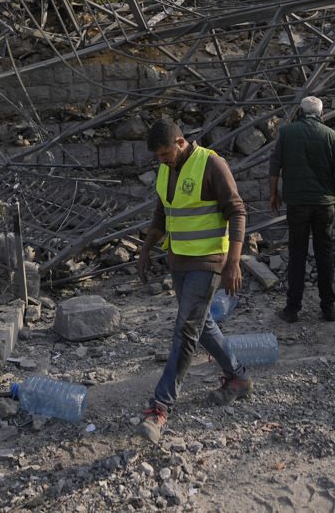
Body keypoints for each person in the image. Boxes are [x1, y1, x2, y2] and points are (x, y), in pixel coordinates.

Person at [135, 119, 251, 443]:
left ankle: (160, 407)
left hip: (209, 261)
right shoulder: (165, 169)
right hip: (179, 261)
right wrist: (145, 250)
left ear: (181, 142)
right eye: (158, 156)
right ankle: (239, 377)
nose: (163, 160)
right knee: (201, 327)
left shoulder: (211, 164)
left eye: (165, 153)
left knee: (185, 330)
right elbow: (162, 214)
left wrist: (233, 263)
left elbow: (237, 212)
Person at [269, 96, 335, 322]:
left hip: (297, 204)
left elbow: (275, 163)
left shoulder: (287, 132)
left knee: (297, 255)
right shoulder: (331, 135)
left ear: (301, 111)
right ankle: (328, 309)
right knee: (324, 254)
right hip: (325, 205)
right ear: (321, 115)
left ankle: (292, 309)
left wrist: (274, 193)